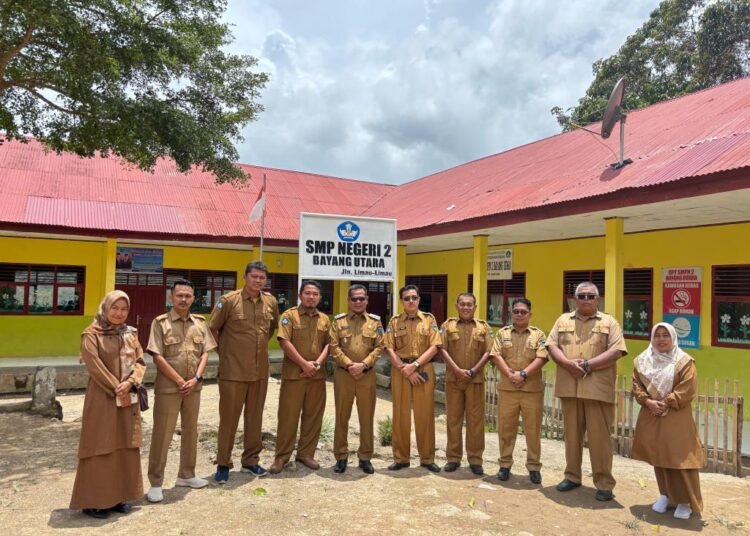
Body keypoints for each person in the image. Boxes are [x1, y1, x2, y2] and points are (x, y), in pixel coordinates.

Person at [546, 281, 627, 501]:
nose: (585, 299)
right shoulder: (562, 320)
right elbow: (552, 345)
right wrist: (568, 364)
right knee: (571, 436)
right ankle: (572, 476)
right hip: (569, 387)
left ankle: (604, 483)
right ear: (575, 298)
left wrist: (588, 365)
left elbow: (617, 350)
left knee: (600, 439)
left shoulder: (609, 322)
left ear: (597, 299)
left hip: (597, 389)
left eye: (590, 296)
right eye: (581, 295)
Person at [70, 290, 146, 519]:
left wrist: (132, 381)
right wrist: (118, 387)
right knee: (100, 446)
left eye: (124, 309)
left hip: (127, 397)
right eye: (115, 308)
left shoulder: (130, 334)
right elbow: (95, 367)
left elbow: (140, 361)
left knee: (125, 444)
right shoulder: (91, 335)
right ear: (105, 308)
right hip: (103, 398)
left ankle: (120, 496)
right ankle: (94, 501)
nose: (119, 313)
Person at [145, 279, 217, 503]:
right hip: (169, 388)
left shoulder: (200, 322)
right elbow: (157, 356)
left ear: (194, 298)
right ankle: (156, 482)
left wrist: (196, 378)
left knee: (190, 431)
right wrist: (178, 380)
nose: (184, 299)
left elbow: (205, 353)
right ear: (171, 297)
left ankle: (187, 474)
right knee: (162, 434)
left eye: (188, 296)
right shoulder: (160, 323)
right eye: (179, 296)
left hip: (193, 388)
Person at [209, 261, 279, 482]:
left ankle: (250, 461)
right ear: (245, 277)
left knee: (254, 418)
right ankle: (223, 463)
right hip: (233, 372)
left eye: (262, 277)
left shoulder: (270, 302)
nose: (258, 281)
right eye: (254, 276)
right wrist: (227, 354)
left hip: (259, 372)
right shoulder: (229, 301)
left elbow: (271, 329)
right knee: (229, 419)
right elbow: (212, 329)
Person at [631, 322, 704, 519]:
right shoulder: (643, 361)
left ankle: (684, 501)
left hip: (676, 415)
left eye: (666, 335)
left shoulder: (684, 362)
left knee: (680, 458)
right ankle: (665, 495)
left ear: (673, 338)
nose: (661, 339)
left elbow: (687, 388)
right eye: (657, 335)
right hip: (652, 413)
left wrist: (667, 402)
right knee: (659, 455)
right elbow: (637, 386)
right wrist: (648, 402)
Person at [270, 280, 331, 474]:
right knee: (288, 417)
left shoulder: (324, 319)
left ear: (320, 297)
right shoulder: (289, 316)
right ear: (300, 295)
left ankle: (306, 454)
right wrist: (304, 364)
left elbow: (328, 345)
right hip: (294, 375)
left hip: (317, 377)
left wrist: (317, 364)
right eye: (308, 293)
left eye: (315, 294)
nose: (311, 297)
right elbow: (284, 341)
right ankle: (281, 457)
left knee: (313, 417)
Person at [384, 284, 442, 472]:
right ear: (401, 301)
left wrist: (415, 366)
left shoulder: (428, 320)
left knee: (424, 415)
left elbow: (435, 346)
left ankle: (427, 458)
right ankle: (401, 458)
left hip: (423, 369)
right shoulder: (394, 321)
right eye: (407, 298)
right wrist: (404, 368)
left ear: (419, 299)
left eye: (414, 298)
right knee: (400, 415)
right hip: (401, 370)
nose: (411, 301)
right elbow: (389, 348)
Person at [490, 298, 548, 484]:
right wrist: (511, 375)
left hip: (531, 390)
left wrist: (523, 374)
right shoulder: (502, 333)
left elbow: (542, 357)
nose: (519, 314)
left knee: (533, 431)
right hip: (508, 390)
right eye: (516, 311)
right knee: (506, 430)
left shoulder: (538, 335)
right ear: (511, 313)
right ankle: (505, 465)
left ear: (530, 314)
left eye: (523, 311)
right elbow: (496, 355)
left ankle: (533, 467)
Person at [329, 284, 385, 474]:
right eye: (355, 299)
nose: (358, 302)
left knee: (366, 417)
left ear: (367, 300)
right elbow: (333, 346)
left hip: (366, 376)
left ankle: (365, 457)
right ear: (349, 300)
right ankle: (341, 456)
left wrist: (364, 365)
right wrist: (349, 364)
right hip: (344, 375)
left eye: (362, 298)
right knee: (341, 416)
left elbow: (379, 347)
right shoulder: (338, 322)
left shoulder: (375, 323)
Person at [439, 292, 492, 475]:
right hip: (453, 380)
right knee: (453, 419)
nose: (466, 307)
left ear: (475, 307)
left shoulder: (484, 327)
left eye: (470, 304)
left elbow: (488, 352)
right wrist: (458, 371)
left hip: (475, 380)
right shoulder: (447, 325)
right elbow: (442, 350)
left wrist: (472, 371)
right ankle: (453, 458)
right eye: (463, 304)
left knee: (475, 421)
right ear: (457, 305)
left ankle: (475, 459)